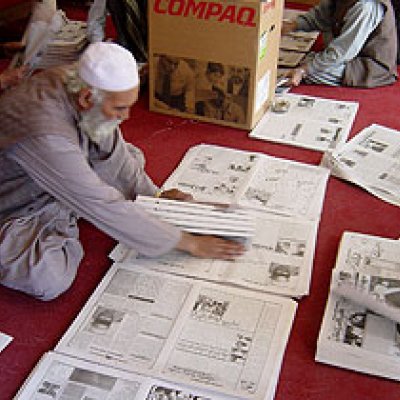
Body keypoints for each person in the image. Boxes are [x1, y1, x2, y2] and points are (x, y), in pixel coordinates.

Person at [0, 42, 245, 301]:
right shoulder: (44, 132)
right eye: (119, 109)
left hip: (54, 170)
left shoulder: (77, 77)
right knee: (48, 279)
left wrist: (156, 200)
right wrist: (188, 242)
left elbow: (113, 154)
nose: (127, 116)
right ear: (86, 98)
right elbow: (100, 202)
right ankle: (67, 208)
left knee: (131, 157)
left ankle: (75, 201)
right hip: (17, 203)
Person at [282, 0, 398, 88]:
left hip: (367, 65)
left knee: (311, 71)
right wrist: (293, 25)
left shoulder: (366, 7)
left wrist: (304, 70)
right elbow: (321, 15)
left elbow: (343, 51)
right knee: (310, 62)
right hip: (347, 54)